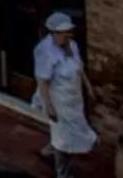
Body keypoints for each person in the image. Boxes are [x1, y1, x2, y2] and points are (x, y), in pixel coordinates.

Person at [35, 11, 96, 178]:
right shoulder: (45, 52)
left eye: (68, 32)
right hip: (57, 99)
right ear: (54, 33)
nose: (66, 36)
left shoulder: (73, 45)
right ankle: (63, 173)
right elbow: (42, 81)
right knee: (63, 138)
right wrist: (49, 107)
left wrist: (88, 86)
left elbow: (79, 67)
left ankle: (49, 151)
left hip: (73, 98)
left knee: (70, 132)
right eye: (62, 33)